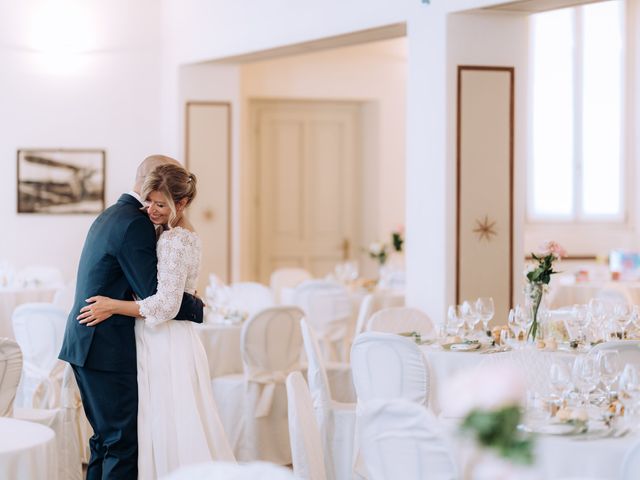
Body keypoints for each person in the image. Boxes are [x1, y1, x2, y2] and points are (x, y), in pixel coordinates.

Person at [76, 163, 235, 478]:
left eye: (160, 204)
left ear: (183, 203)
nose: (150, 209)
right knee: (154, 427)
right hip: (156, 339)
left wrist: (112, 305)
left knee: (171, 425)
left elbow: (164, 305)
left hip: (168, 342)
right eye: (148, 201)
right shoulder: (165, 233)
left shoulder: (176, 240)